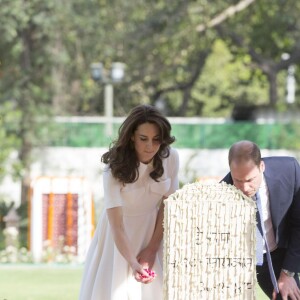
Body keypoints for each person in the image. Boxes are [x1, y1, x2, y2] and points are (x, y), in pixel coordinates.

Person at [79, 104, 179, 300]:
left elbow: (167, 207)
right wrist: (133, 263)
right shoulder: (113, 169)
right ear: (132, 136)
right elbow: (116, 226)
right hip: (117, 238)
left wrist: (151, 249)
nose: (150, 146)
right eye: (143, 139)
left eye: (156, 140)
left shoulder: (171, 158)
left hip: (154, 233)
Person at [222, 140, 300, 300]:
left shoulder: (289, 170)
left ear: (261, 167)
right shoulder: (222, 193)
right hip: (242, 258)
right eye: (238, 180)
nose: (244, 188)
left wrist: (288, 273)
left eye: (250, 180)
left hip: (280, 251)